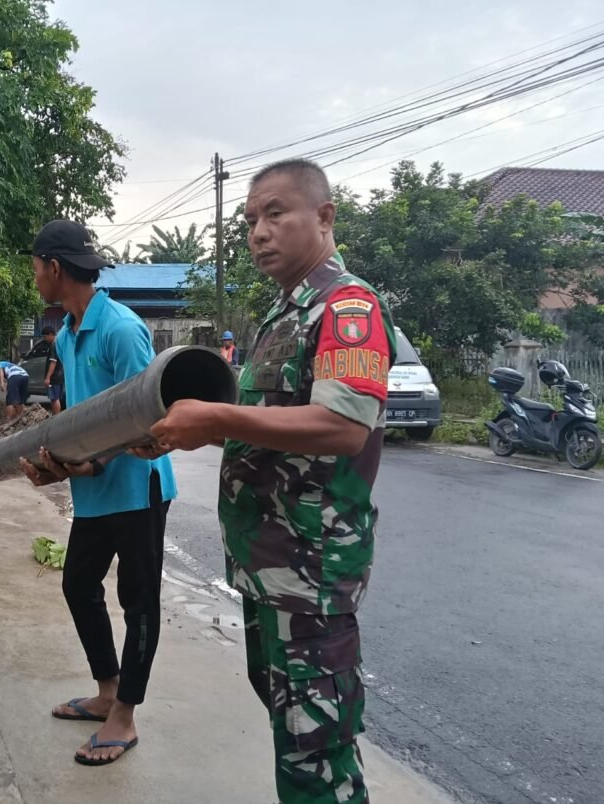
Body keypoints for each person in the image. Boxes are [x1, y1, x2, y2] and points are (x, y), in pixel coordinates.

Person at [133, 160, 395, 803]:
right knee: (293, 732)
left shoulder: (347, 307)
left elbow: (342, 426)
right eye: (251, 219)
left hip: (311, 574)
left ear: (325, 217)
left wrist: (216, 417)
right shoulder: (284, 314)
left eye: (276, 213)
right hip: (269, 568)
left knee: (316, 759)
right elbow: (270, 429)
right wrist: (188, 431)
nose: (258, 231)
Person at [18, 219, 177, 767]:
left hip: (136, 488)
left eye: (35, 267)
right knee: (78, 584)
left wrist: (94, 462)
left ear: (54, 267)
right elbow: (84, 417)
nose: (34, 277)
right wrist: (59, 464)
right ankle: (107, 691)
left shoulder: (121, 329)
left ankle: (125, 716)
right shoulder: (67, 333)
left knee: (138, 599)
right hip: (95, 490)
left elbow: (149, 418)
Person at [40, 325, 64, 414]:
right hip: (60, 375)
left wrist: (47, 378)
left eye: (45, 337)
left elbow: (53, 362)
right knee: (56, 398)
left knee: (54, 398)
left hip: (54, 377)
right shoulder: (60, 343)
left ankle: (56, 418)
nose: (44, 339)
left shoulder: (54, 346)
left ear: (51, 335)